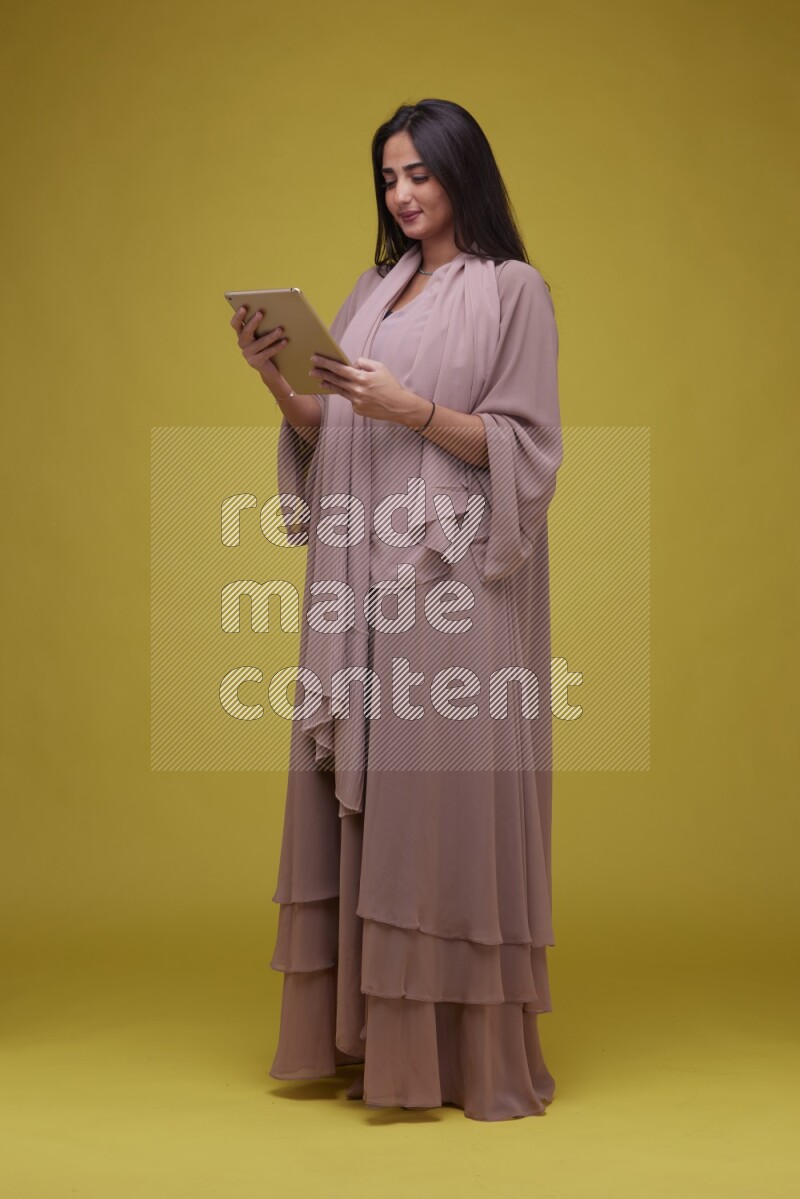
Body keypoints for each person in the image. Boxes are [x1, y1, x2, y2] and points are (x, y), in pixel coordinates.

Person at [229, 98, 564, 1121]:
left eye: (420, 172)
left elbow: (526, 447)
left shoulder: (513, 291)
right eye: (388, 176)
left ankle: (453, 1058)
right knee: (364, 797)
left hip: (448, 583)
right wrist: (283, 388)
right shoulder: (371, 292)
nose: (403, 193)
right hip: (357, 579)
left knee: (434, 810)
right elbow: (337, 430)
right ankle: (372, 1041)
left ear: (464, 175)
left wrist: (410, 409)